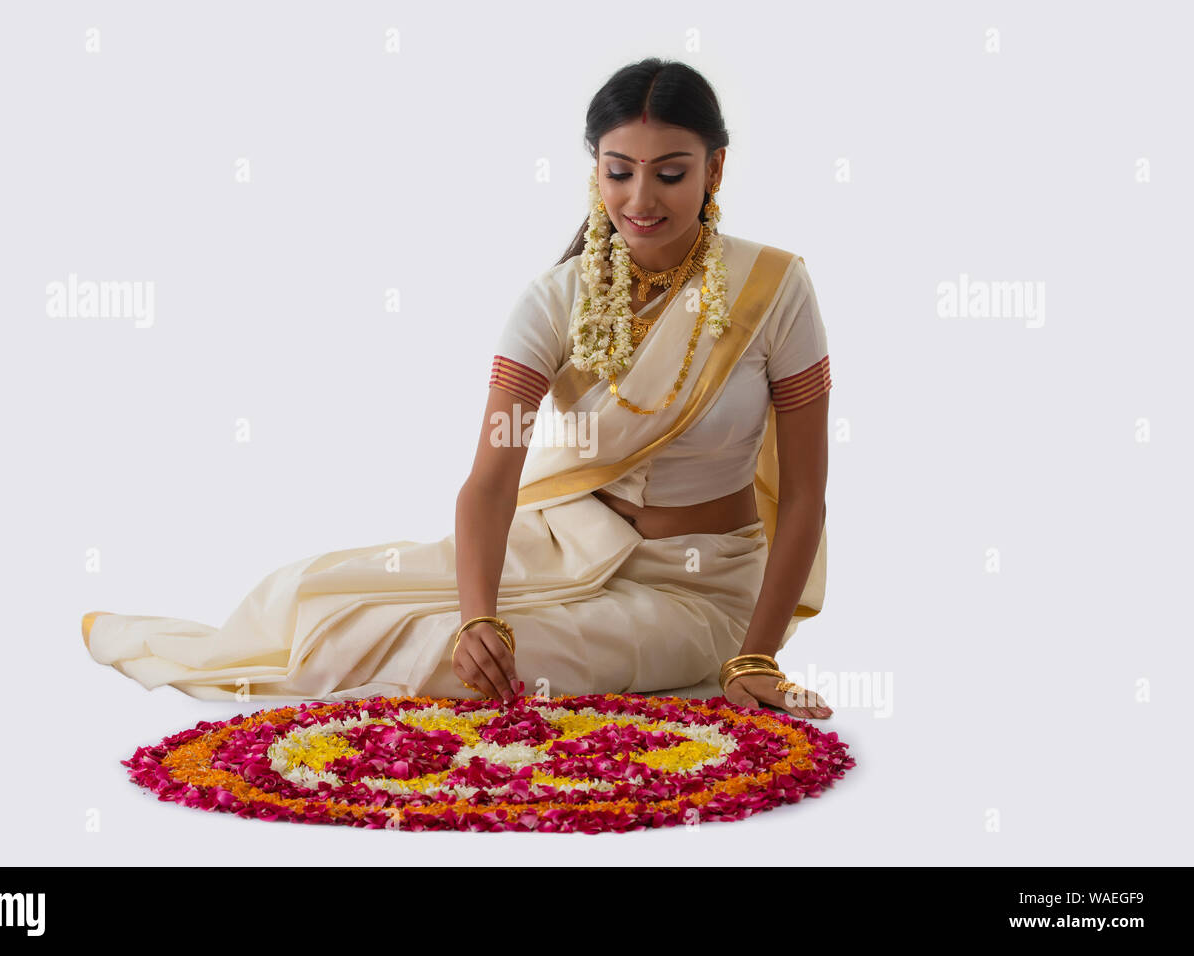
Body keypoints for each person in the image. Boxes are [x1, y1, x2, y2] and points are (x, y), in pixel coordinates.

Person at [82, 58, 835, 720]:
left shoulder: (773, 290)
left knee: (471, 670)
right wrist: (481, 619)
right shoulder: (555, 298)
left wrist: (755, 657)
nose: (641, 197)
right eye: (618, 170)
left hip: (697, 590)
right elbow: (490, 480)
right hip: (562, 540)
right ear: (594, 168)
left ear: (717, 169)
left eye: (671, 172)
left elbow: (803, 495)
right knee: (333, 610)